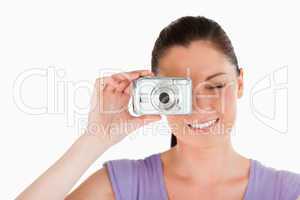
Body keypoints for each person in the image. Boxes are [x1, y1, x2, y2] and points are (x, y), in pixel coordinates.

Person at [16, 16, 300, 200]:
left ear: (239, 84)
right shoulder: (121, 185)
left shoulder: (287, 191)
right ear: (155, 94)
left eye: (215, 86)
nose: (199, 107)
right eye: (179, 92)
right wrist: (96, 137)